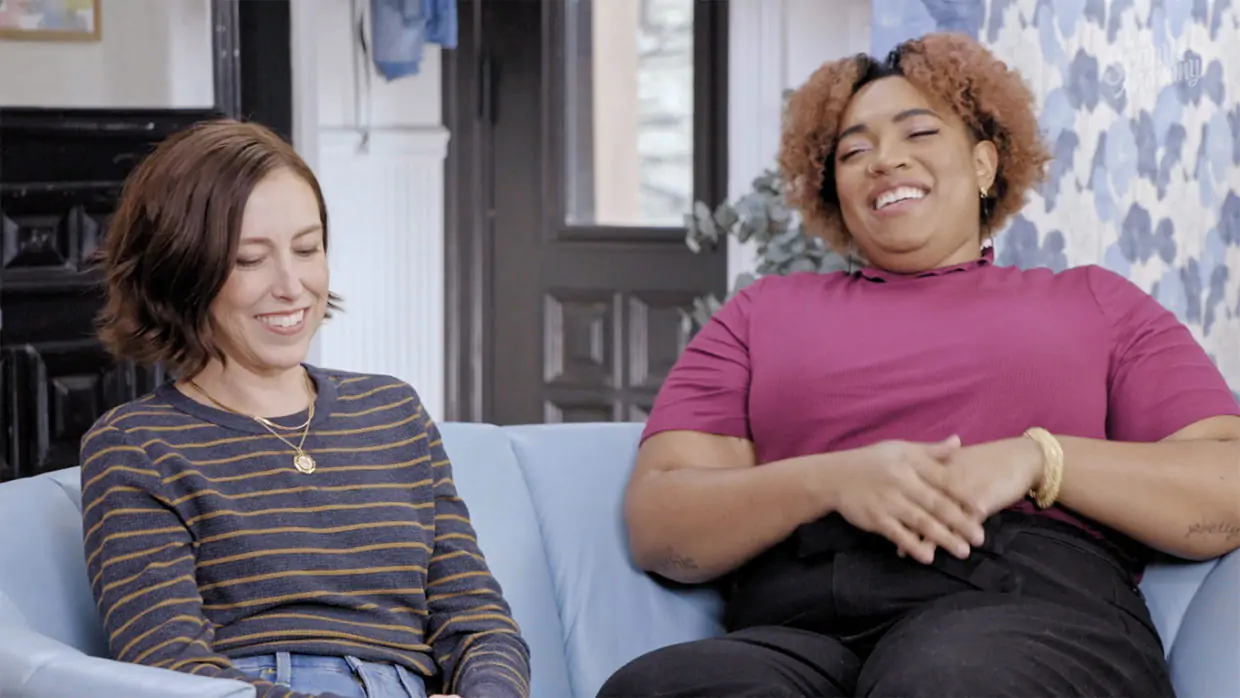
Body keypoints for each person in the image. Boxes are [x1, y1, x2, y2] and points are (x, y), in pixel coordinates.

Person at [599, 32, 1240, 698]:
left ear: (985, 164)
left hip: (1032, 608)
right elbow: (661, 523)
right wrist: (831, 481)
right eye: (854, 151)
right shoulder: (761, 314)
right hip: (803, 620)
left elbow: (1227, 482)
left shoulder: (1096, 303)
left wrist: (1038, 459)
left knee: (941, 679)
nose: (884, 160)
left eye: (920, 133)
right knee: (662, 686)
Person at [80, 119, 530, 698]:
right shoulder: (135, 445)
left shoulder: (392, 411)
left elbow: (478, 621)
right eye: (250, 259)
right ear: (182, 271)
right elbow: (170, 667)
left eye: (307, 248)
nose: (292, 286)